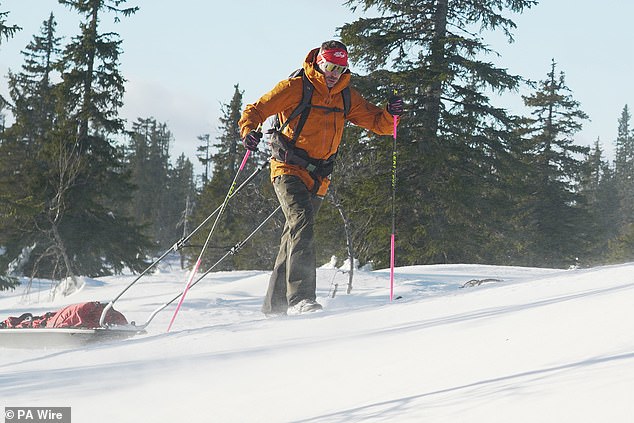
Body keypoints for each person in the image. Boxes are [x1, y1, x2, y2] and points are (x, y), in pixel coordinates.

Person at [239, 40, 403, 316]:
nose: (333, 73)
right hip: (287, 168)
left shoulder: (345, 96)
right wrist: (248, 131)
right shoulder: (295, 87)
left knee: (294, 234)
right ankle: (301, 298)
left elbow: (379, 124)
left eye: (339, 68)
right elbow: (256, 110)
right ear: (318, 62)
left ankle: (274, 307)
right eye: (329, 66)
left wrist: (391, 114)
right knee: (302, 220)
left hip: (320, 177)